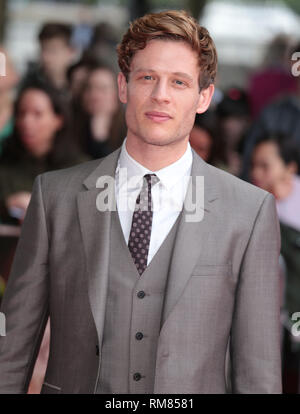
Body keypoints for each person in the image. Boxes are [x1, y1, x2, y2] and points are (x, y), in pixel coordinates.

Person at [0, 10, 282, 394]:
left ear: (203, 97)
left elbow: (258, 372)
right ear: (123, 86)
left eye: (179, 82)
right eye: (147, 77)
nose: (160, 94)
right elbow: (11, 348)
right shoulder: (55, 198)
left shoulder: (249, 212)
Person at [0, 81, 88, 224]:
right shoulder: (6, 165)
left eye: (37, 114)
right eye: (22, 113)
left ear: (58, 120)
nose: (26, 122)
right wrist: (7, 206)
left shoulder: (82, 170)